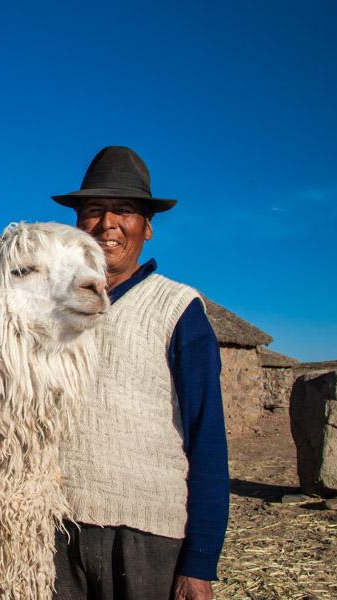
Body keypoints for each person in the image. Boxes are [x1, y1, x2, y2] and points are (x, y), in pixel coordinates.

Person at [51, 147, 229, 600]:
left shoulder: (178, 309)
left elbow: (206, 436)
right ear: (77, 226)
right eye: (93, 211)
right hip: (52, 528)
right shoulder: (48, 309)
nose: (107, 224)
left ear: (147, 227)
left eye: (125, 211)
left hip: (146, 535)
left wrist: (200, 562)